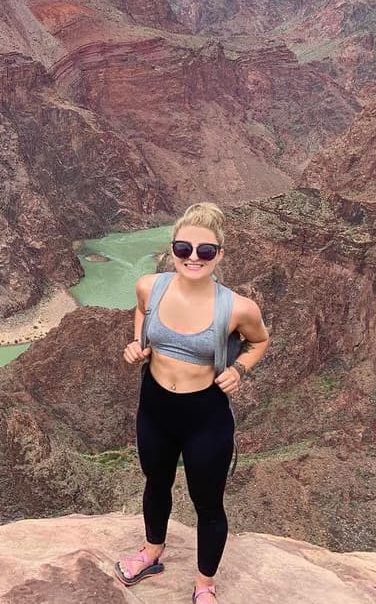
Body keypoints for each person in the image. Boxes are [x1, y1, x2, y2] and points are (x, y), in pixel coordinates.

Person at [114, 202, 270, 604]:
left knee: (208, 503)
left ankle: (204, 584)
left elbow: (260, 341)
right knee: (156, 482)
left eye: (205, 250)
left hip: (206, 416)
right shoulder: (150, 286)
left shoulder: (238, 308)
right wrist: (139, 343)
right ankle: (151, 553)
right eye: (184, 249)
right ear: (172, 249)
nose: (194, 258)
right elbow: (141, 311)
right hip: (156, 408)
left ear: (220, 254)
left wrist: (240, 369)